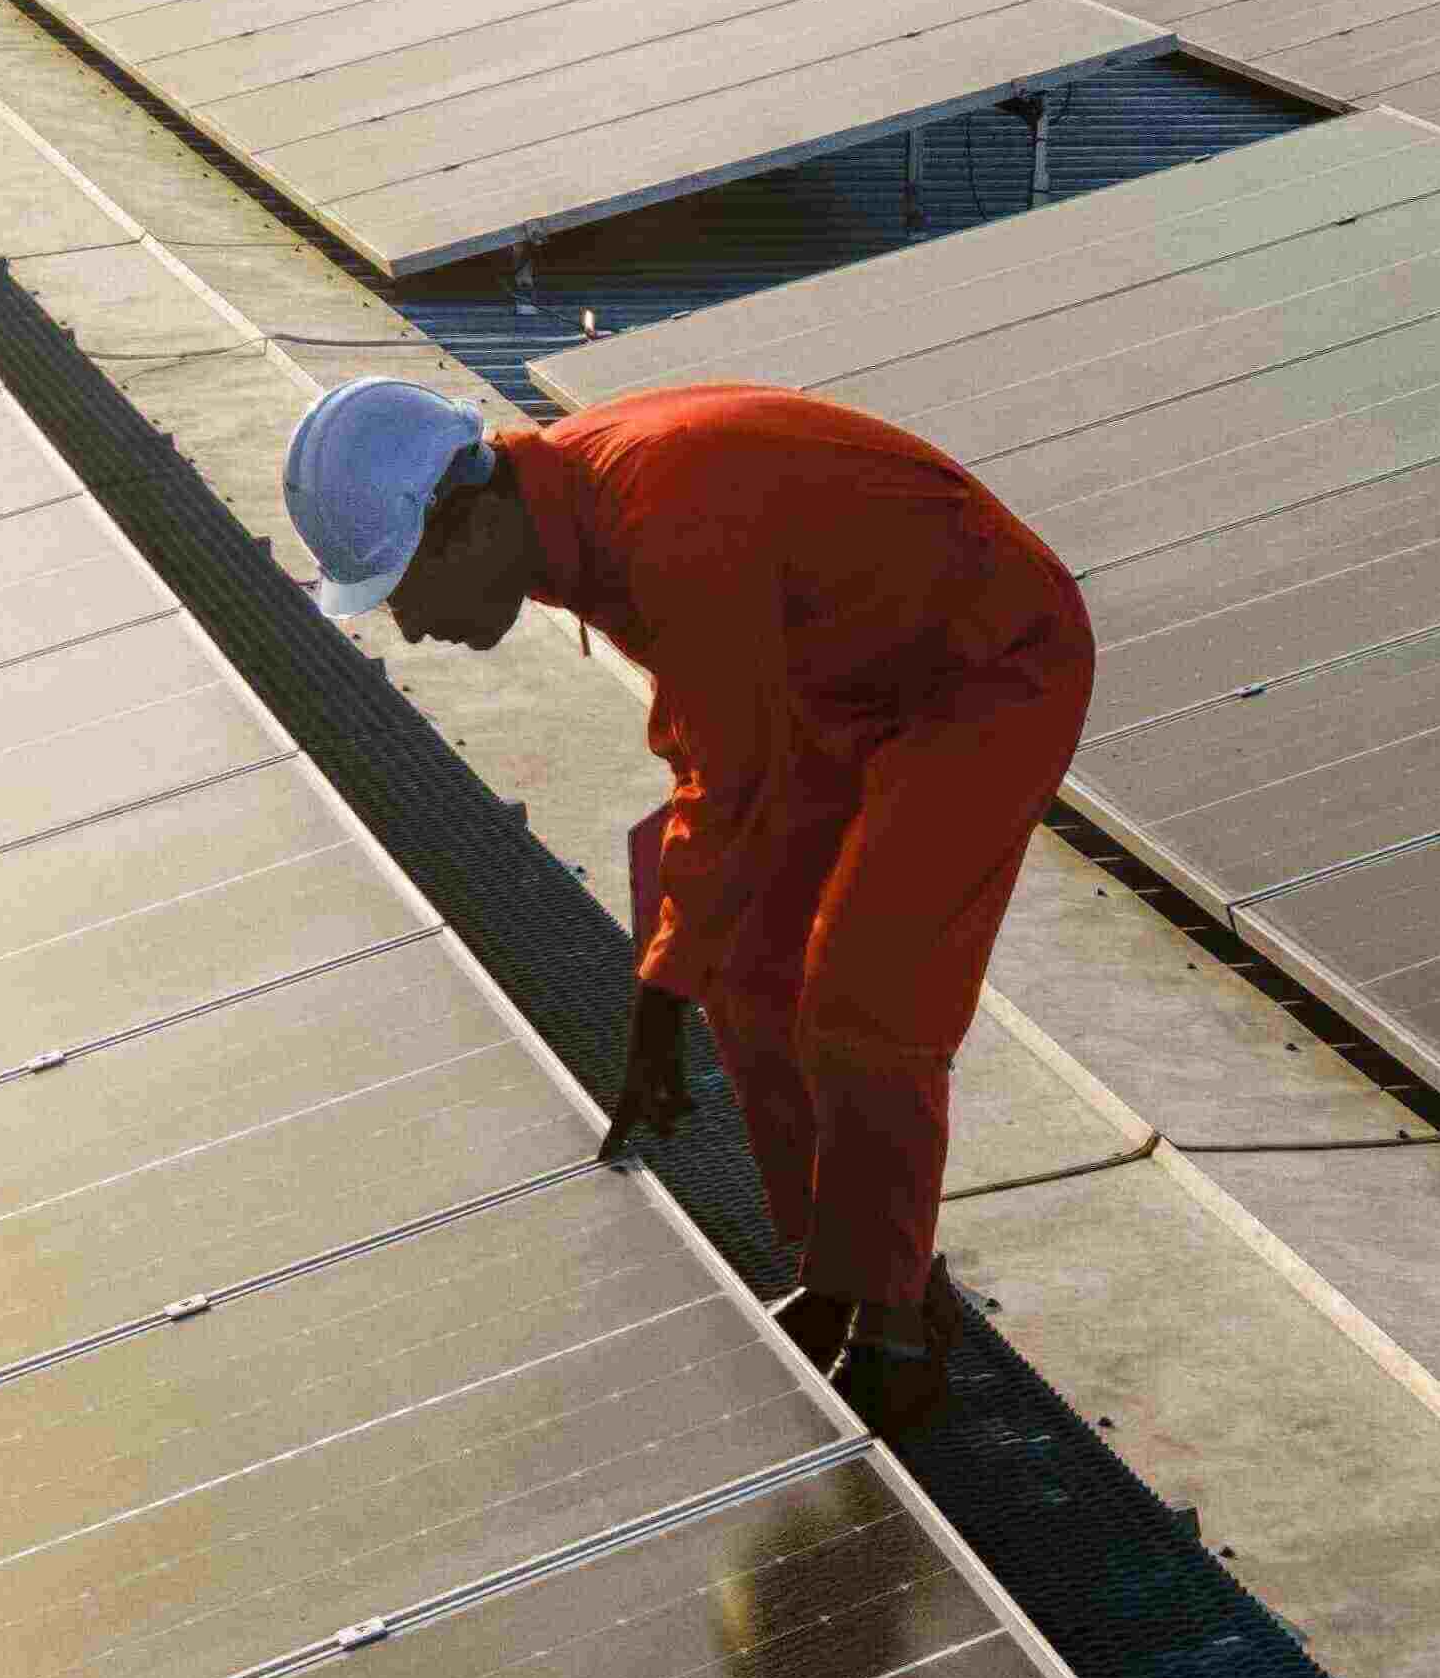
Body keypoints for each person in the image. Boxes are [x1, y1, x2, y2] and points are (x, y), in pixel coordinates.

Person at [283, 373, 1091, 1438]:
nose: (413, 627)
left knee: (866, 989)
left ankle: (897, 1323)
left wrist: (659, 993)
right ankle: (843, 1267)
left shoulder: (665, 519)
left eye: (403, 588)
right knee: (744, 961)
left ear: (471, 522)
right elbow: (716, 741)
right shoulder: (576, 508)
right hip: (840, 672)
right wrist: (678, 974)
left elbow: (733, 770)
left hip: (983, 670)